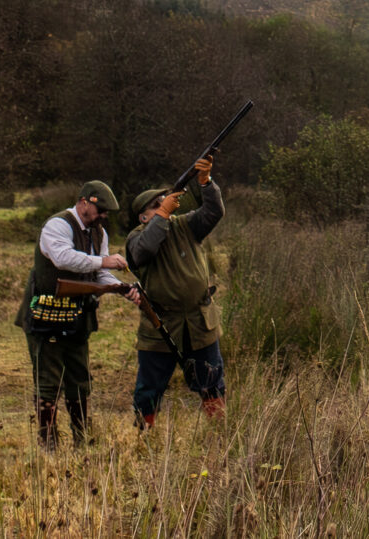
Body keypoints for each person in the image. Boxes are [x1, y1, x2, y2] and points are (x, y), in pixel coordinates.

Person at [14, 181, 131, 450]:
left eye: (105, 213)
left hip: (78, 316)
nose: (102, 216)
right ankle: (48, 443)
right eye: (99, 210)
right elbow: (64, 259)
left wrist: (122, 289)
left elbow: (99, 274)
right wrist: (105, 261)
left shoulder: (98, 234)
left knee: (79, 379)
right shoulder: (57, 225)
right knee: (48, 380)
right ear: (83, 202)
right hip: (46, 316)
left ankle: (82, 440)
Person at [125, 158, 226, 427]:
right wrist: (163, 215)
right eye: (156, 206)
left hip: (199, 321)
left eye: (165, 201)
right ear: (143, 216)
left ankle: (219, 433)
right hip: (161, 325)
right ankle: (142, 439)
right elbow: (144, 250)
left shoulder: (184, 225)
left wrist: (205, 182)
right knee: (149, 389)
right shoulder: (136, 237)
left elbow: (214, 212)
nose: (164, 206)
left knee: (212, 382)